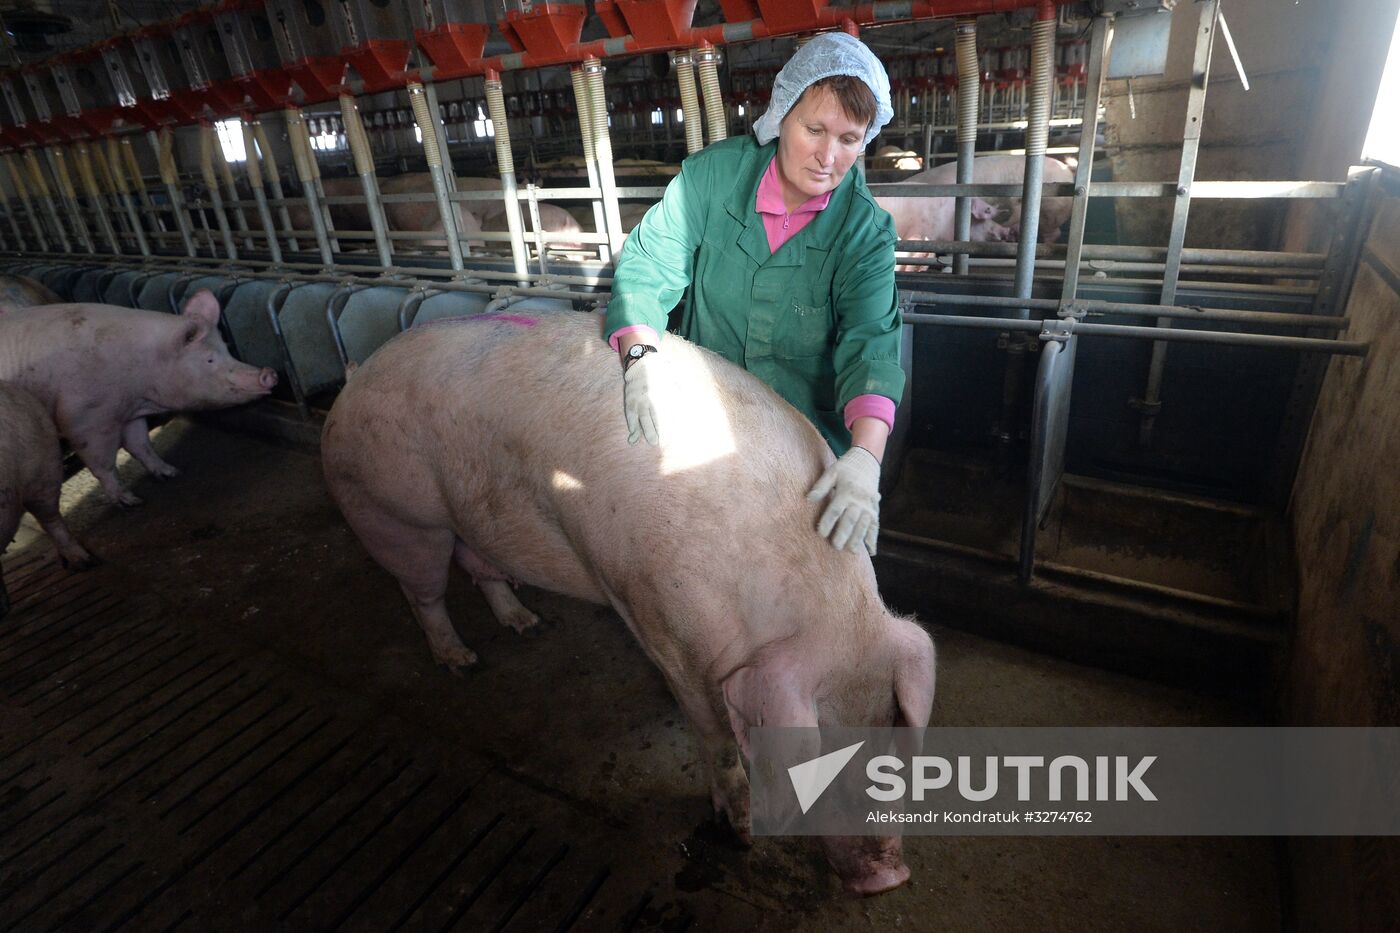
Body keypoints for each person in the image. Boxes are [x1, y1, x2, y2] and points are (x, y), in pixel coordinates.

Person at [603, 32, 902, 557]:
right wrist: (641, 355)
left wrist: (865, 459)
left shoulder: (864, 230)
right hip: (702, 417)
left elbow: (871, 343)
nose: (828, 157)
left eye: (849, 139)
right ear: (782, 114)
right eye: (814, 130)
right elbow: (649, 266)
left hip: (805, 442)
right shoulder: (711, 179)